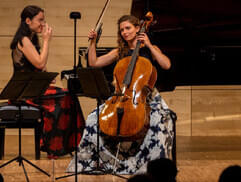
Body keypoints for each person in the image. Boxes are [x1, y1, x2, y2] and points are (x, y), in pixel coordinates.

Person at [67, 14, 175, 174]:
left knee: (159, 122)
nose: (124, 32)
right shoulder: (120, 52)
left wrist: (151, 46)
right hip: (121, 97)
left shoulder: (150, 50)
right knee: (93, 118)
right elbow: (94, 63)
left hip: (147, 99)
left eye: (128, 28)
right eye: (122, 30)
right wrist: (92, 42)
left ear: (138, 28)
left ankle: (152, 168)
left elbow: (166, 65)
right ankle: (100, 162)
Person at [10, 5, 85, 158]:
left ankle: (71, 145)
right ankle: (54, 147)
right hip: (24, 92)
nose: (43, 24)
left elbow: (38, 68)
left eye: (43, 20)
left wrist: (46, 79)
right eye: (40, 20)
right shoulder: (23, 40)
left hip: (32, 89)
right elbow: (40, 63)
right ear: (28, 20)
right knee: (64, 97)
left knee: (69, 95)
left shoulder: (30, 39)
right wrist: (46, 41)